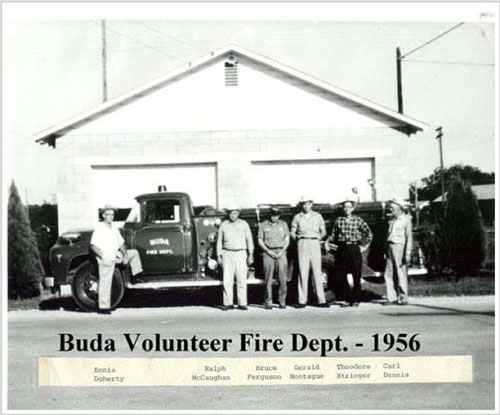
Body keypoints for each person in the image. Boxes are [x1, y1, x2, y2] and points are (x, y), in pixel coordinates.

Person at [90, 205, 143, 314]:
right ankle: (104, 308)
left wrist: (126, 256)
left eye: (112, 215)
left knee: (134, 253)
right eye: (108, 214)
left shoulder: (114, 229)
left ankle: (136, 276)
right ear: (104, 215)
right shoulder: (99, 228)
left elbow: (121, 243)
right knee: (106, 282)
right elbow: (93, 246)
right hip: (106, 257)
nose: (111, 217)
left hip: (116, 255)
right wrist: (102, 256)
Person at [326, 197, 373, 307]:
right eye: (345, 207)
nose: (347, 209)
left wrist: (364, 246)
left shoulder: (358, 220)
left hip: (354, 247)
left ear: (352, 208)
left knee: (356, 274)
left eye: (349, 207)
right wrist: (327, 242)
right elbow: (333, 234)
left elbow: (369, 233)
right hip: (342, 248)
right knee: (342, 274)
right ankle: (347, 298)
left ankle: (356, 299)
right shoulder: (339, 220)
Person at [290, 196, 329, 308]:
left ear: (311, 204)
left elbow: (323, 231)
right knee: (303, 272)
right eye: (303, 204)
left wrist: (317, 239)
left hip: (314, 243)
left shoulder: (317, 216)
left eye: (308, 203)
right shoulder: (297, 217)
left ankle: (321, 300)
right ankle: (302, 301)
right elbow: (292, 231)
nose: (306, 206)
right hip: (302, 243)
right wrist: (297, 239)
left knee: (317, 272)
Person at [216, 204, 254, 311]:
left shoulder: (244, 224)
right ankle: (228, 303)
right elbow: (219, 241)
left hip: (241, 253)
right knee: (227, 279)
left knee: (241, 279)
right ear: (228, 214)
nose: (233, 215)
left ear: (238, 213)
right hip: (227, 253)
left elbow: (249, 240)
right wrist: (219, 255)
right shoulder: (224, 225)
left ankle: (242, 303)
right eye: (231, 213)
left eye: (235, 213)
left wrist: (250, 254)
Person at [258, 207, 290, 309]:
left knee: (282, 278)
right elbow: (260, 240)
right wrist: (268, 251)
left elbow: (287, 239)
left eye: (276, 215)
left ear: (279, 215)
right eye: (273, 215)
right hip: (268, 252)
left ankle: (282, 301)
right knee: (268, 279)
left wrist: (282, 251)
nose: (274, 217)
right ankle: (268, 301)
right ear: (269, 215)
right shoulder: (263, 225)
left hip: (281, 252)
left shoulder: (283, 224)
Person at [383, 198, 413, 306]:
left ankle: (404, 297)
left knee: (400, 272)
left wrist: (408, 253)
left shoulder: (406, 219)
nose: (391, 210)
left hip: (400, 247)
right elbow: (388, 235)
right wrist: (385, 250)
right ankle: (391, 297)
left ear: (399, 209)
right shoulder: (391, 220)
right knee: (389, 273)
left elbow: (409, 237)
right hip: (390, 246)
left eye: (393, 208)